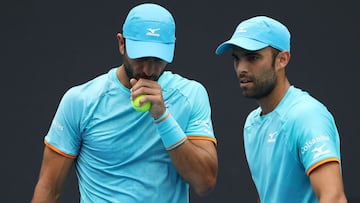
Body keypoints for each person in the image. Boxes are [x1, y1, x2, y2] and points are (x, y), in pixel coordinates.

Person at [31, 3, 218, 203]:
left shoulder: (191, 95)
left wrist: (163, 117)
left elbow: (204, 181)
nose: (148, 69)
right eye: (141, 57)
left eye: (157, 59)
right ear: (122, 44)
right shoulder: (80, 101)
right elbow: (49, 188)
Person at [215, 16, 347, 202]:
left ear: (282, 60)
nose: (241, 68)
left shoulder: (306, 115)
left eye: (253, 57)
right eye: (237, 59)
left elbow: (333, 197)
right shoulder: (252, 124)